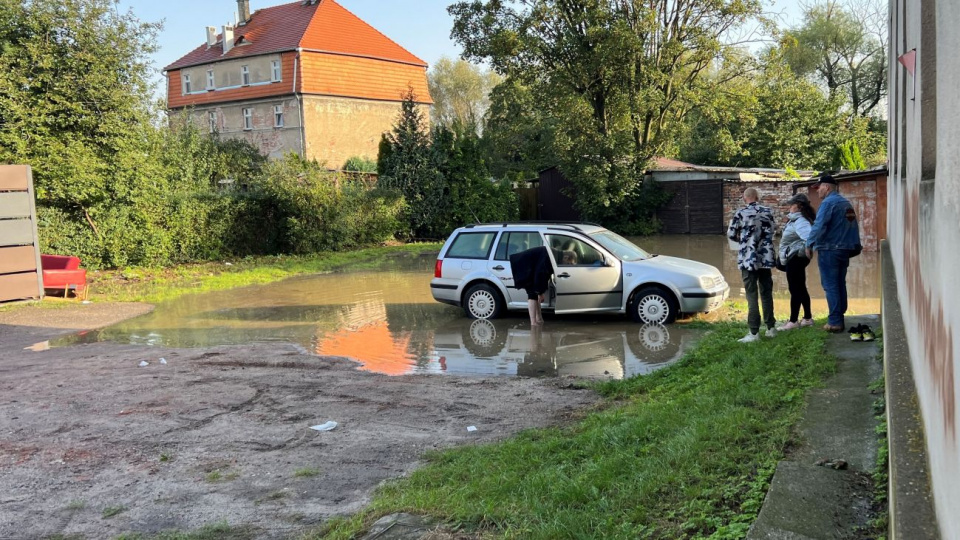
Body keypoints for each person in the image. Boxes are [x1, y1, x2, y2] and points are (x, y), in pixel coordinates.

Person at [805, 173, 862, 333]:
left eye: (819, 188)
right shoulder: (845, 203)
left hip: (830, 249)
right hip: (843, 250)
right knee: (839, 283)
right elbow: (852, 227)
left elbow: (819, 225)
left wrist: (809, 244)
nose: (817, 191)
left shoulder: (828, 203)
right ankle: (839, 316)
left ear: (827, 187)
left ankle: (835, 321)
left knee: (830, 285)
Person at [727, 187, 778, 343]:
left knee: (751, 295)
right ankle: (771, 328)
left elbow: (730, 234)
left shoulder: (740, 214)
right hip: (765, 258)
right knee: (766, 292)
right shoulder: (768, 212)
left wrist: (744, 241)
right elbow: (774, 230)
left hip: (748, 258)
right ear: (758, 197)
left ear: (745, 198)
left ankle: (754, 333)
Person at [777, 193, 816, 330]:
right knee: (801, 287)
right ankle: (807, 318)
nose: (789, 207)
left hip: (796, 258)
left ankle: (793, 321)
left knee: (795, 289)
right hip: (795, 257)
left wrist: (807, 249)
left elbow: (809, 237)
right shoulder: (796, 220)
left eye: (791, 204)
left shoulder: (800, 221)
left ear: (798, 206)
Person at [509, 246, 554, 326]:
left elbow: (544, 275)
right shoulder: (548, 256)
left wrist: (540, 292)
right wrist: (540, 292)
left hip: (529, 267)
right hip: (524, 268)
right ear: (566, 257)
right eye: (569, 263)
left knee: (534, 293)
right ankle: (533, 322)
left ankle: (539, 319)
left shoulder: (550, 254)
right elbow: (540, 274)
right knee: (532, 294)